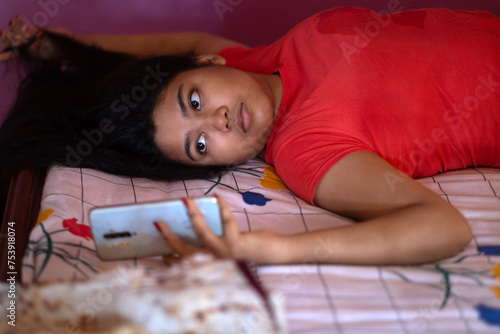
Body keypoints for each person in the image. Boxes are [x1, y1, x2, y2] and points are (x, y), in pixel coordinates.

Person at [1, 7, 499, 266]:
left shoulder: (259, 58)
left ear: (208, 63)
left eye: (193, 101)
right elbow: (444, 227)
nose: (214, 122)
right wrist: (280, 251)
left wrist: (54, 46)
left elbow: (174, 44)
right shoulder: (305, 149)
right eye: (199, 147)